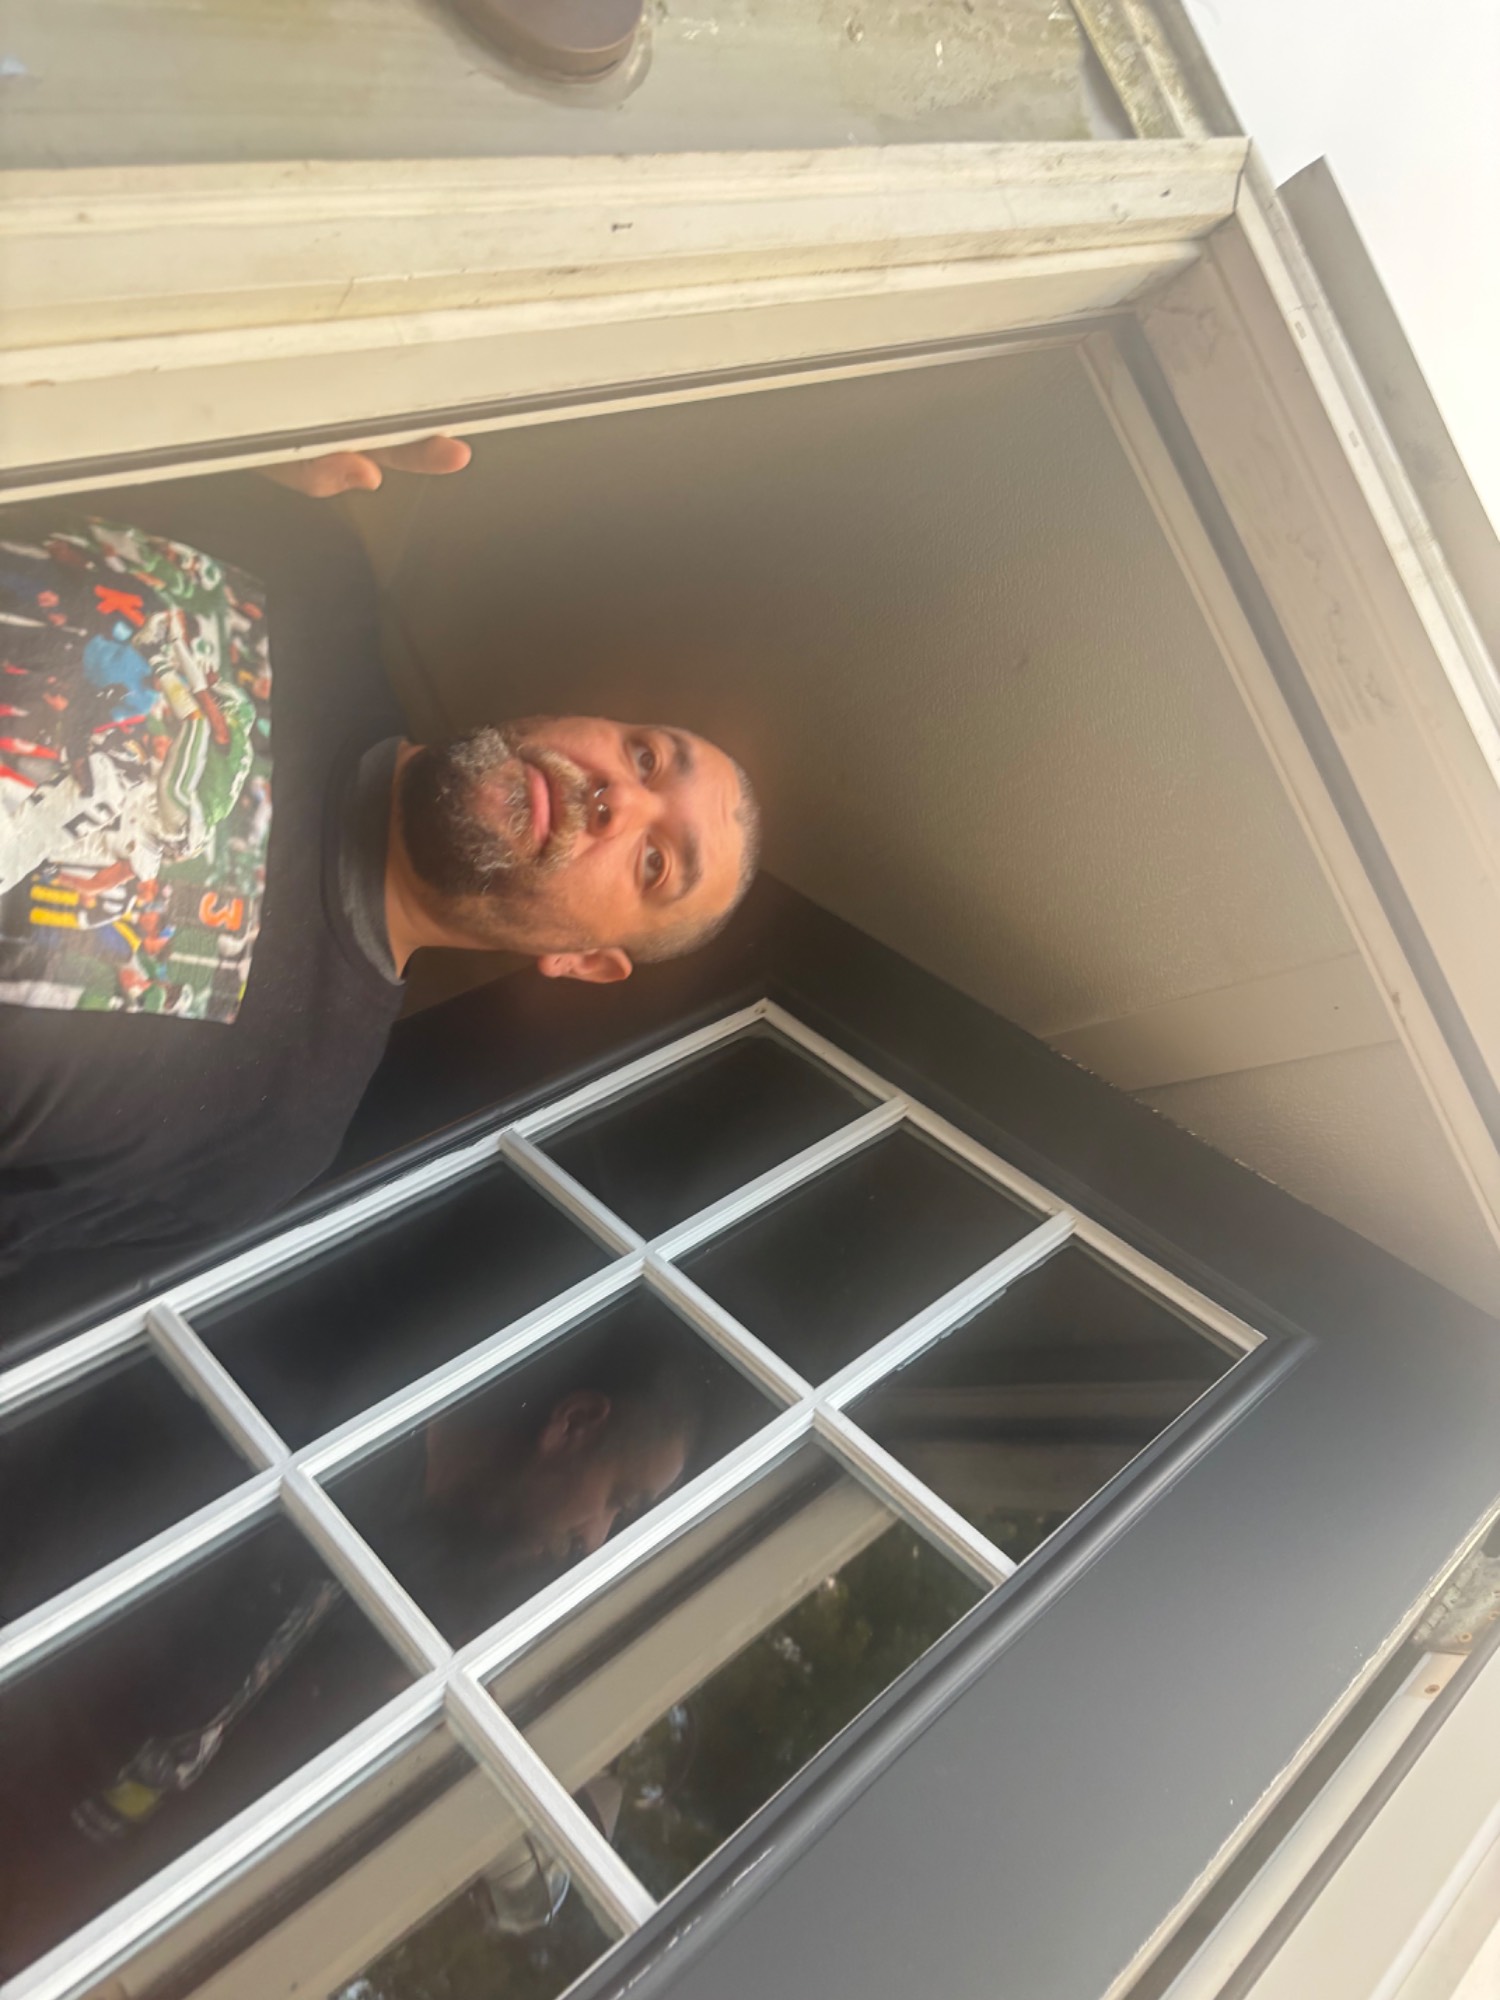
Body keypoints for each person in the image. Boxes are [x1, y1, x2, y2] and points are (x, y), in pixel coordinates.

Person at [0, 443, 761, 1268]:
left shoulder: (258, 1139)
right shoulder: (309, 561)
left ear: (583, 961)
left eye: (654, 863)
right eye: (646, 756)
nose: (621, 798)